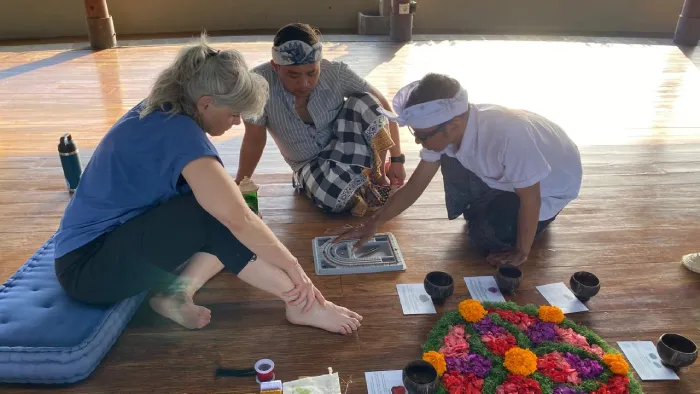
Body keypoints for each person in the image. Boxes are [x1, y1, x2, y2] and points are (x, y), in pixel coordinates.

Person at [53, 34, 362, 335]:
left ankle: (176, 293)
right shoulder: (179, 135)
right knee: (220, 217)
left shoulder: (165, 110)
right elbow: (235, 218)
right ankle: (302, 304)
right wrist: (296, 272)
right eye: (233, 113)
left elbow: (236, 216)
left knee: (230, 217)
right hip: (88, 269)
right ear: (205, 104)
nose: (237, 122)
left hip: (111, 243)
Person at [333, 73, 583, 267]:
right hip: (511, 179)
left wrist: (521, 252)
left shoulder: (508, 135)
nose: (418, 142)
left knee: (484, 238)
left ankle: (528, 220)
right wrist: (375, 223)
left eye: (421, 136)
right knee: (446, 157)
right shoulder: (454, 128)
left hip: (549, 189)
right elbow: (416, 185)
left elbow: (531, 198)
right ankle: (488, 205)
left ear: (452, 125)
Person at [235, 23, 406, 217]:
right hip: (307, 164)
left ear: (319, 64)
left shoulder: (335, 73)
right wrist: (241, 183)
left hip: (344, 145)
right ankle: (356, 182)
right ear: (276, 66)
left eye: (312, 73)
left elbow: (383, 107)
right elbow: (254, 140)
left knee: (368, 102)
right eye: (293, 75)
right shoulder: (257, 84)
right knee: (334, 198)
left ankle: (376, 174)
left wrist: (397, 160)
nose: (304, 83)